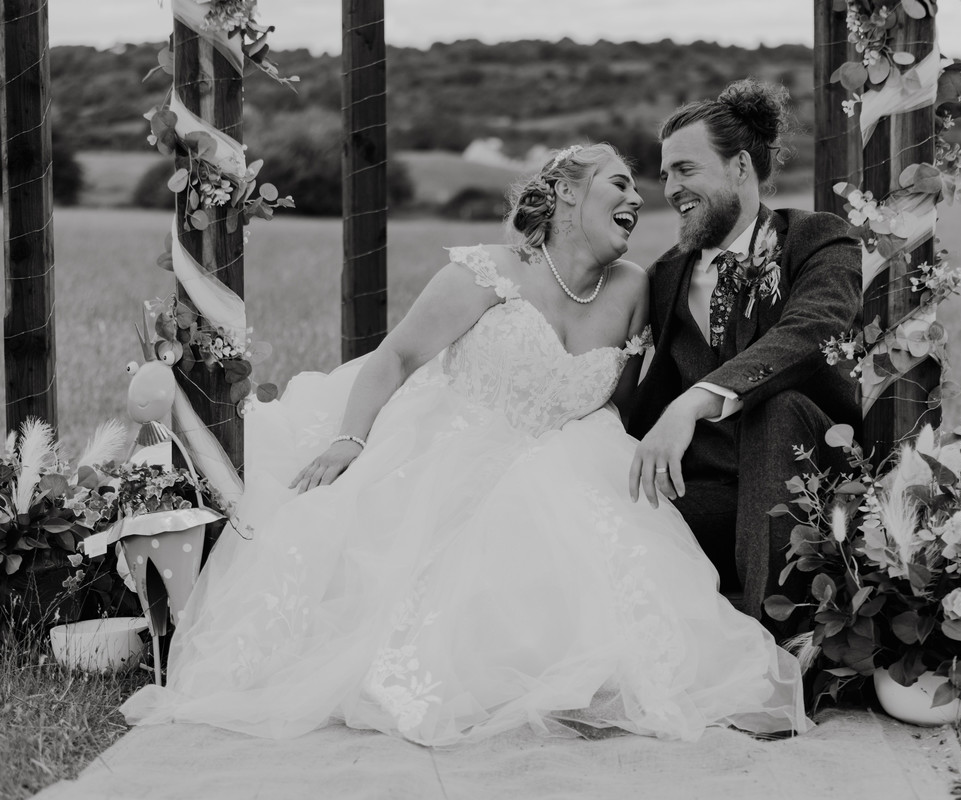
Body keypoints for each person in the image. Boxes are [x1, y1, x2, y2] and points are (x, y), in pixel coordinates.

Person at [121, 143, 806, 746]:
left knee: (602, 566)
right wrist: (350, 439)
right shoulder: (487, 272)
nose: (638, 198)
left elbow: (624, 401)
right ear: (568, 192)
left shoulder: (633, 289)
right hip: (447, 453)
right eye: (620, 183)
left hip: (560, 463)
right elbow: (394, 358)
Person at [627, 80, 862, 642]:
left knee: (776, 408)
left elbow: (812, 328)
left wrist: (696, 401)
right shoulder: (665, 276)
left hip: (806, 482)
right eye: (665, 175)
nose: (671, 188)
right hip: (711, 490)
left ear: (739, 167)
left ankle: (778, 652)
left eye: (686, 169)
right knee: (598, 520)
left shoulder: (817, 239)